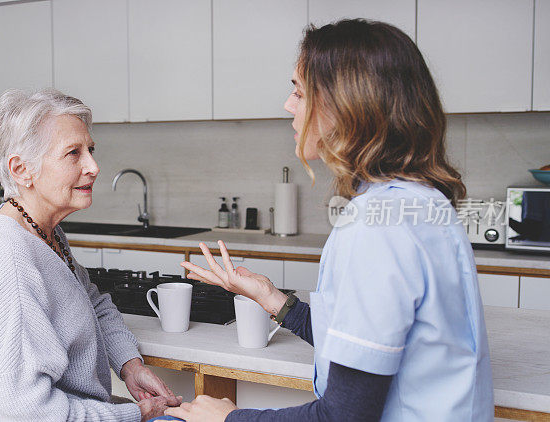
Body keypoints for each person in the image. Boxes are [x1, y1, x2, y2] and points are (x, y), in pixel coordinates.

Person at [164, 19, 493, 422]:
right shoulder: (420, 203)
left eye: (299, 91)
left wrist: (228, 420)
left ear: (346, 108)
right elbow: (372, 346)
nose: (288, 104)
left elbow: (343, 416)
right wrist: (273, 300)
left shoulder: (377, 226)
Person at [0, 88, 181, 421]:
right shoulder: (8, 256)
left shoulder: (43, 231)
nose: (94, 166)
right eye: (73, 153)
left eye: (90, 149)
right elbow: (27, 408)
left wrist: (129, 365)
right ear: (21, 170)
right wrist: (137, 415)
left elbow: (93, 304)